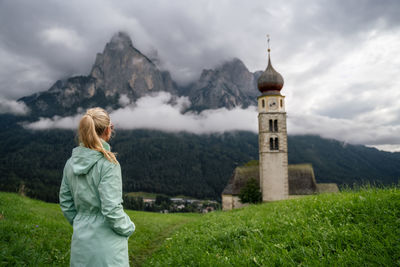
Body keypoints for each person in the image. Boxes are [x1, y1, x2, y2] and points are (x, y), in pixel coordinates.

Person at [59, 107, 135, 267]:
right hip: (108, 246)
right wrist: (128, 228)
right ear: (108, 130)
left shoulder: (70, 163)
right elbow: (111, 209)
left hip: (81, 243)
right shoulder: (109, 164)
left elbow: (66, 203)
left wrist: (81, 222)